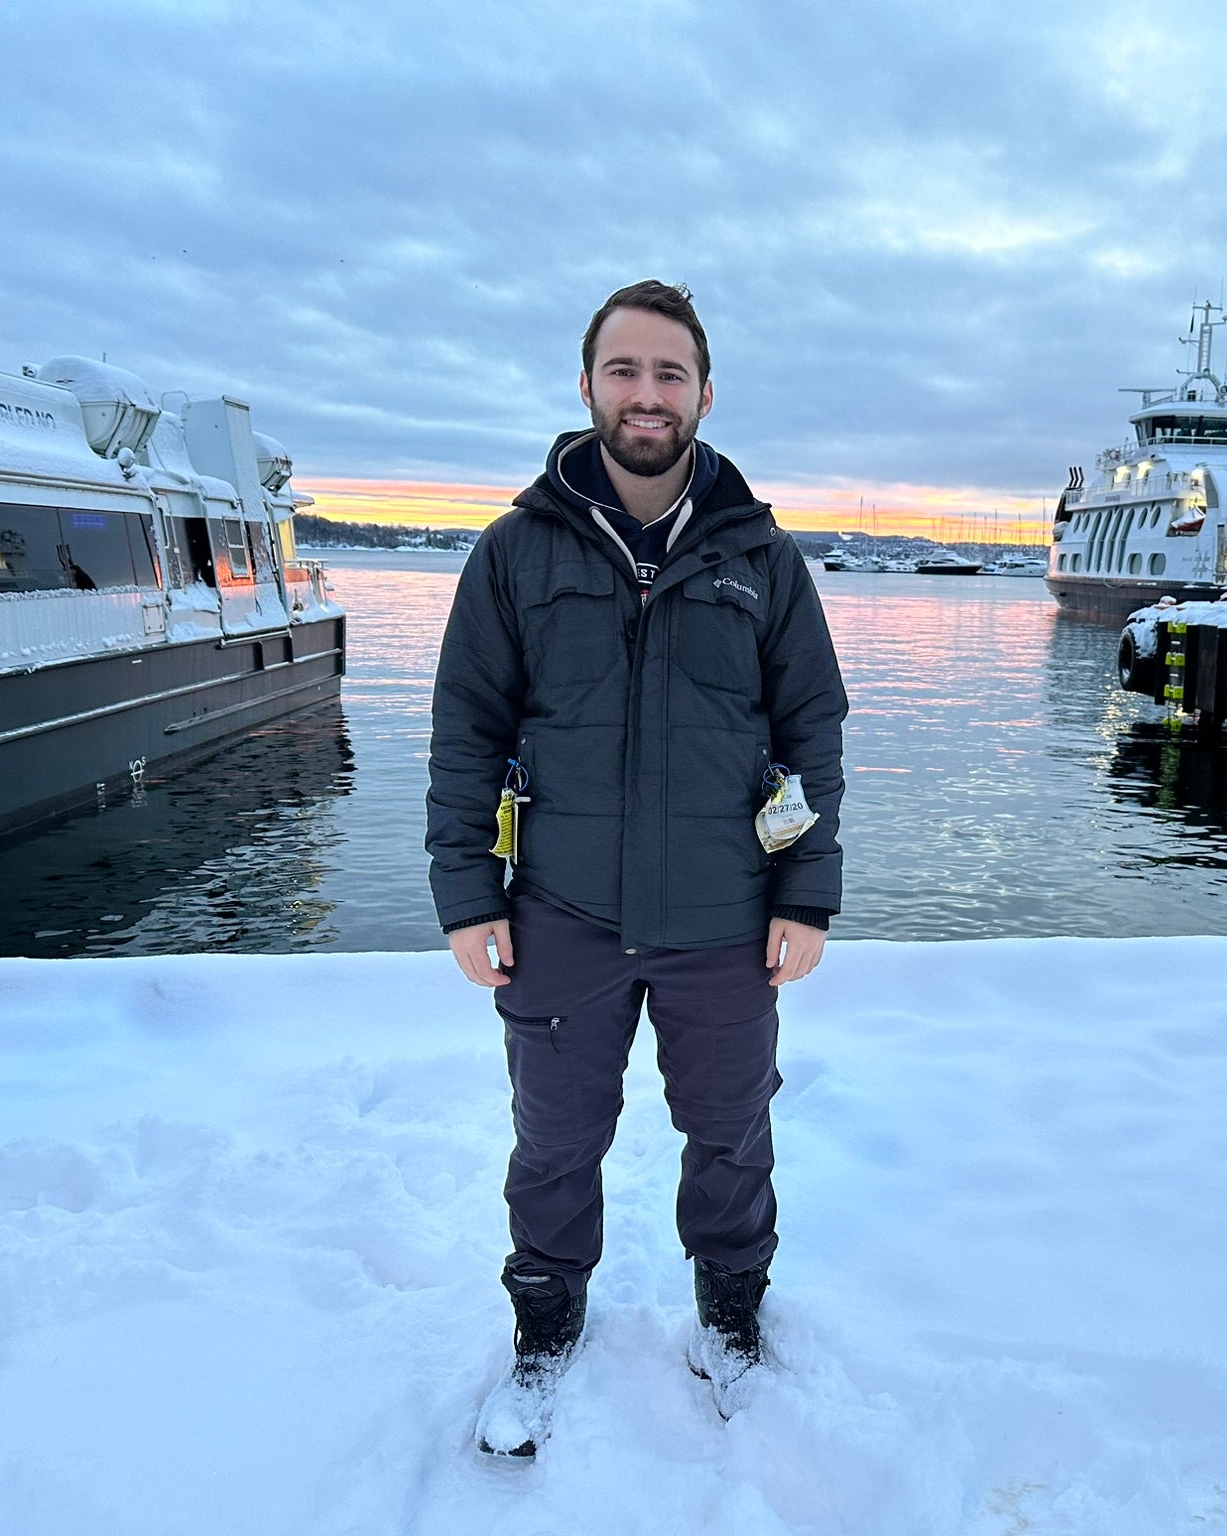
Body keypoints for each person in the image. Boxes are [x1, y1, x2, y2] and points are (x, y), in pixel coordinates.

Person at [426, 280, 847, 1455]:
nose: (646, 395)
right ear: (586, 388)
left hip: (723, 918)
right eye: (625, 371)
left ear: (704, 395)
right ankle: (544, 1329)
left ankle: (729, 1316)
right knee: (554, 1139)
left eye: (669, 374)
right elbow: (466, 730)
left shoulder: (762, 559)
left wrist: (805, 891)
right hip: (559, 910)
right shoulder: (513, 553)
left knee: (729, 1132)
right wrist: (468, 895)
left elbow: (812, 729)